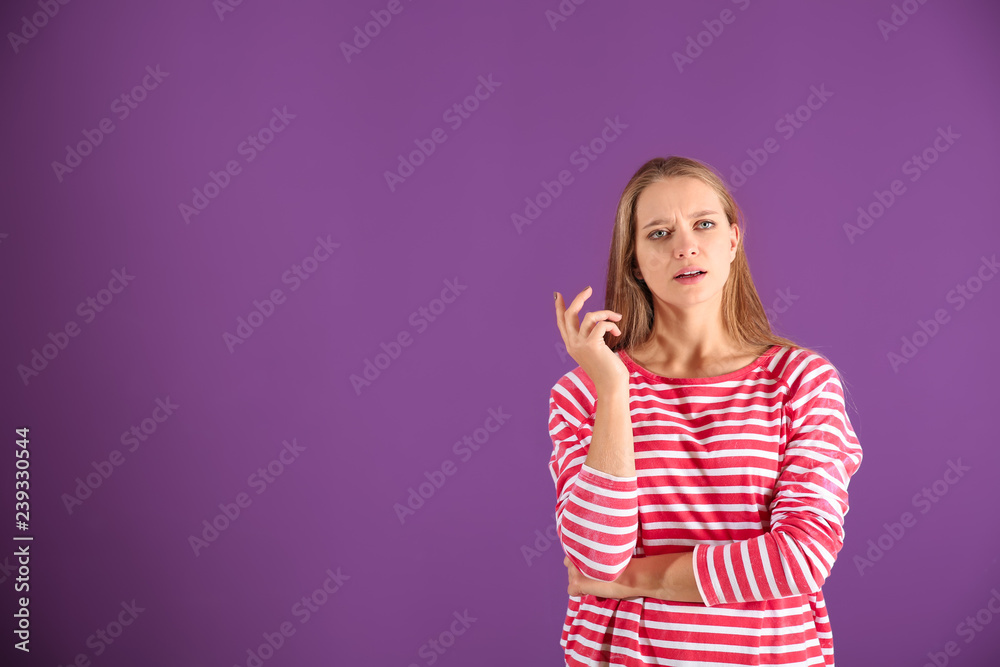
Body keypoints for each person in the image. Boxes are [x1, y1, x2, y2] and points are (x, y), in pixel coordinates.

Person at [549, 156, 863, 666]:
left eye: (704, 224)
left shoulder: (800, 381)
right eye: (659, 233)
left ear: (733, 240)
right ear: (634, 260)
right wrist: (614, 390)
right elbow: (596, 557)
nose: (684, 246)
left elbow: (800, 558)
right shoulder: (585, 392)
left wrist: (633, 579)